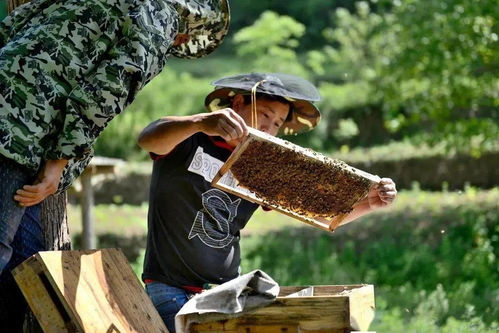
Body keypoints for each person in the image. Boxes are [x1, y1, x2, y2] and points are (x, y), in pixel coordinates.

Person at [0, 0, 230, 329]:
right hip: (18, 132)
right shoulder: (158, 21)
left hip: (17, 123)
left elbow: (12, 27)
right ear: (184, 34)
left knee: (26, 267)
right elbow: (101, 96)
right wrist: (57, 162)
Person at [137, 72, 398, 332]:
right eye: (264, 114)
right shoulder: (191, 139)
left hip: (228, 292)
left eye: (277, 123)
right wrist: (199, 122)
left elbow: (320, 214)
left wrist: (369, 203)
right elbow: (148, 138)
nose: (269, 127)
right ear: (238, 104)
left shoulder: (262, 167)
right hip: (170, 289)